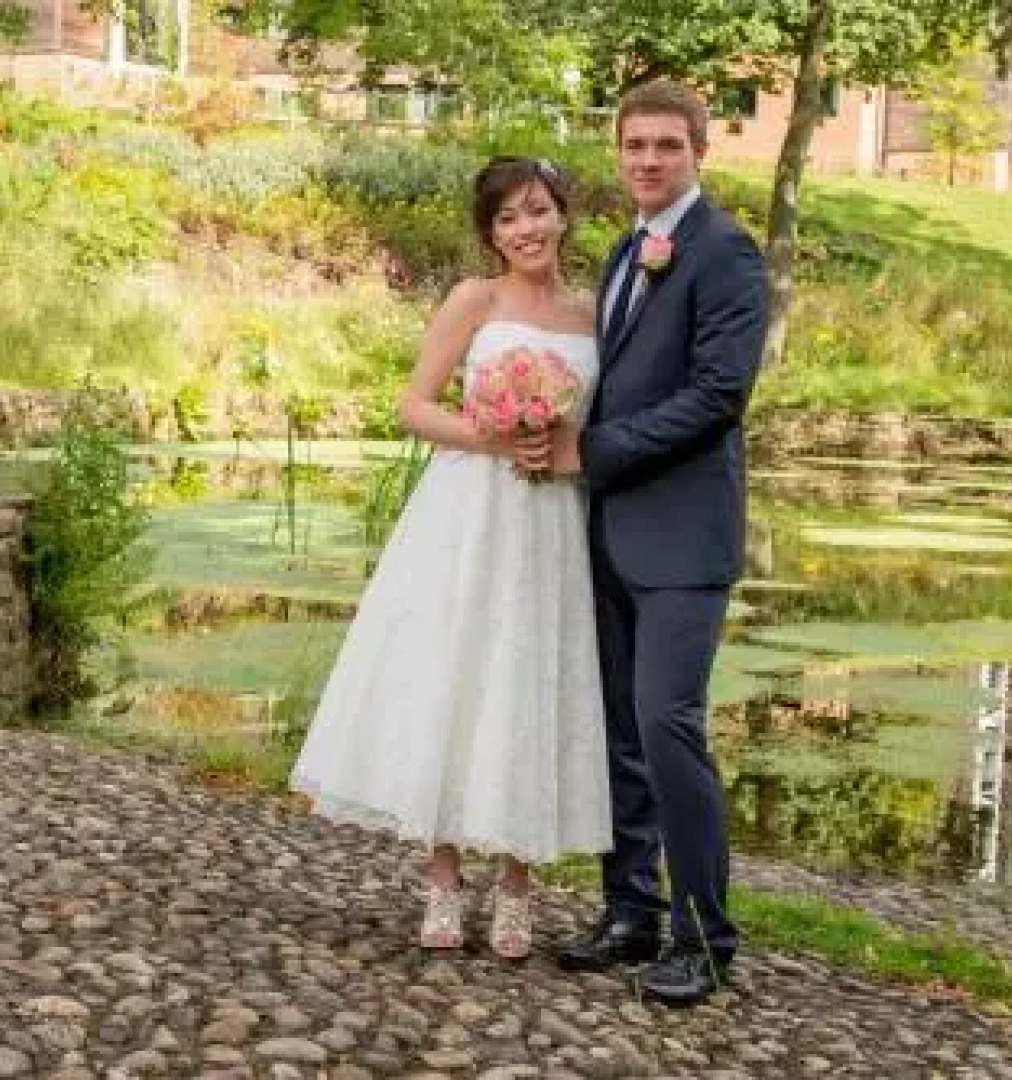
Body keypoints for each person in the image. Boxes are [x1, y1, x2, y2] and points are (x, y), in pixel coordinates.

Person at [291, 156, 611, 961]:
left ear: (562, 214)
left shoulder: (594, 313)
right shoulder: (476, 300)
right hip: (470, 507)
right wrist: (495, 436)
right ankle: (441, 879)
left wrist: (560, 443)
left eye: (538, 211)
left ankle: (515, 887)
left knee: (530, 680)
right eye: (507, 220)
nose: (526, 229)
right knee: (458, 674)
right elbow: (413, 406)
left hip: (550, 519)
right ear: (490, 235)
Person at [521, 79, 768, 1005]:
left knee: (668, 725)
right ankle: (632, 912)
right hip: (611, 531)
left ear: (699, 149)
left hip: (685, 538)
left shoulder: (726, 254)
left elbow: (717, 397)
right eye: (635, 146)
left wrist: (593, 450)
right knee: (620, 729)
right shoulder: (630, 248)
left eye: (667, 145)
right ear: (617, 153)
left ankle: (705, 939)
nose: (649, 161)